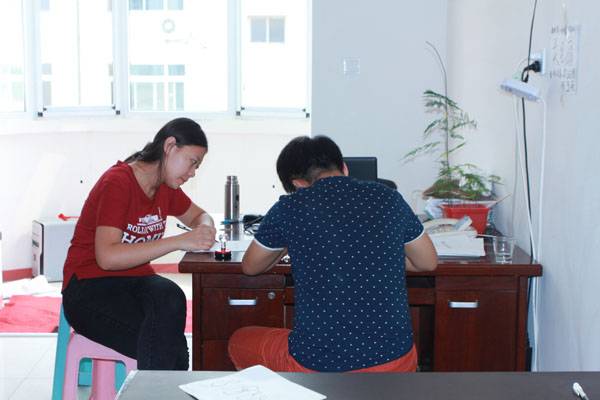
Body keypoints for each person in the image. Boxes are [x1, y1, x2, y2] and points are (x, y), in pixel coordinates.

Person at [228, 135, 437, 373]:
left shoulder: (290, 208)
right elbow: (427, 262)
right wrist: (377, 254)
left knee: (239, 341)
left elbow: (251, 266)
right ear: (344, 168)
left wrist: (294, 241)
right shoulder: (388, 197)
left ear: (298, 184)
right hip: (396, 361)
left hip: (320, 366)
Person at [62, 117, 216, 370]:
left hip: (131, 282)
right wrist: (179, 241)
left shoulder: (165, 186)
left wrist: (205, 228)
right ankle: (162, 388)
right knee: (170, 348)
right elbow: (107, 258)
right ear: (170, 146)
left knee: (171, 296)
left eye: (197, 166)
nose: (192, 173)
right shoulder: (118, 182)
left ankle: (156, 387)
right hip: (88, 288)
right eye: (192, 162)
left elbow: (200, 215)